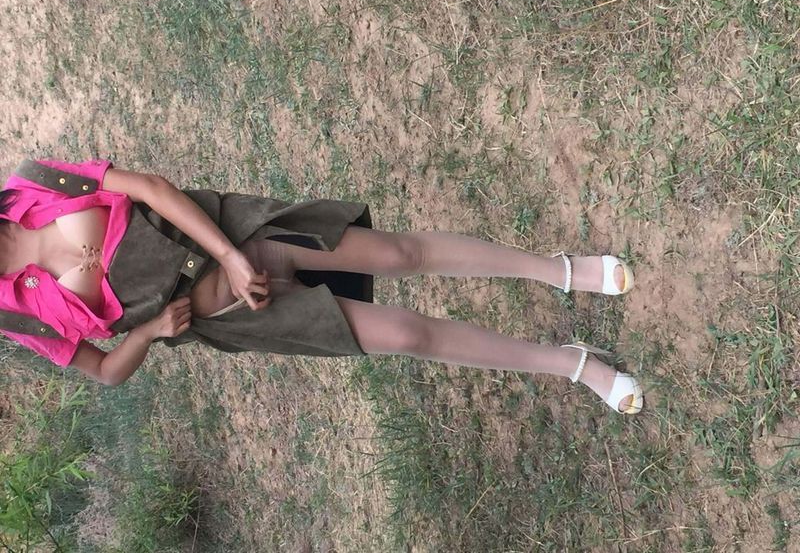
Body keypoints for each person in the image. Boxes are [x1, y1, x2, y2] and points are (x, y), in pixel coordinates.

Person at [0, 158, 643, 414]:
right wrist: (148, 333)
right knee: (406, 335)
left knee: (400, 254)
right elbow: (104, 370)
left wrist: (229, 253)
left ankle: (560, 270)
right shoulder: (14, 316)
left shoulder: (32, 183)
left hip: (238, 235)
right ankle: (574, 365)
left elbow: (150, 189)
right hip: (236, 313)